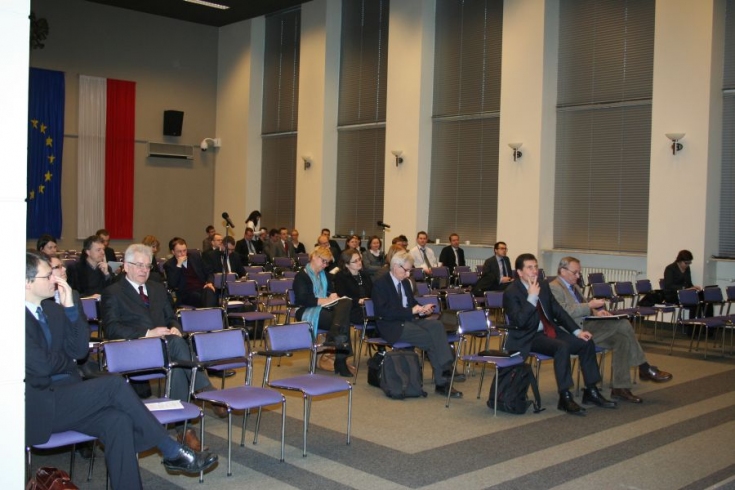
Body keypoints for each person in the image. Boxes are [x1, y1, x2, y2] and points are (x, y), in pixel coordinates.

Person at [25, 251, 217, 490]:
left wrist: (70, 309)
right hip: (40, 406)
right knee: (114, 384)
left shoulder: (54, 310)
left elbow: (78, 352)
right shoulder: (12, 319)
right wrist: (66, 360)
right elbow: (42, 366)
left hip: (70, 394)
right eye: (47, 276)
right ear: (27, 282)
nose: (55, 279)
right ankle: (171, 450)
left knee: (118, 421)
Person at [102, 244, 227, 447]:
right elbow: (111, 328)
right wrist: (147, 333)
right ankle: (205, 390)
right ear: (126, 266)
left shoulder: (157, 288)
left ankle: (184, 429)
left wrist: (175, 327)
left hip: (166, 347)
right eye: (139, 265)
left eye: (148, 266)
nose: (144, 270)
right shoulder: (113, 292)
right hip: (134, 349)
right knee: (178, 349)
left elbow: (171, 317)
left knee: (177, 364)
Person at [503, 253, 616, 415]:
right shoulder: (511, 292)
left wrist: (577, 331)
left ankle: (591, 391)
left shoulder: (543, 285)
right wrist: (532, 298)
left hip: (549, 330)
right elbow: (519, 321)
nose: (534, 271)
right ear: (520, 272)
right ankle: (565, 396)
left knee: (586, 342)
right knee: (561, 347)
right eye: (529, 268)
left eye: (536, 267)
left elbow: (558, 311)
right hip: (528, 336)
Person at [550, 257, 673, 403]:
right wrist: (589, 306)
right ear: (563, 271)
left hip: (588, 325)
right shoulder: (554, 287)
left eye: (579, 273)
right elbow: (563, 311)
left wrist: (597, 312)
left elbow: (582, 308)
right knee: (623, 324)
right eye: (575, 272)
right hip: (573, 331)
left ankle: (620, 388)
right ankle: (644, 367)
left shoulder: (574, 286)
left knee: (622, 340)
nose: (578, 276)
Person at [371, 251, 461, 398]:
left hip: (409, 320)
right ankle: (443, 381)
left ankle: (445, 367)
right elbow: (383, 312)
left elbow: (412, 303)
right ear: (395, 266)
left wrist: (422, 309)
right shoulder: (381, 284)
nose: (408, 274)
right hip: (392, 325)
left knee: (437, 326)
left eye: (410, 271)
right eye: (406, 270)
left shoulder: (405, 283)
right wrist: (411, 311)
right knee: (430, 338)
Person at [293, 247, 353, 376]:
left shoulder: (324, 275)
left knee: (346, 303)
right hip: (306, 310)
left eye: (327, 263)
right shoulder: (301, 276)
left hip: (325, 308)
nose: (325, 265)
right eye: (323, 261)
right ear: (314, 257)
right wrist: (325, 300)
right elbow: (302, 299)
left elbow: (330, 291)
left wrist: (334, 296)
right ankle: (341, 360)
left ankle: (334, 333)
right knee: (343, 320)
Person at [163, 238, 217, 307]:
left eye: (184, 250)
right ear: (173, 252)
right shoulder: (169, 265)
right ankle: (213, 312)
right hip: (186, 293)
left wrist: (209, 282)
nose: (183, 254)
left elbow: (209, 272)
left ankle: (209, 311)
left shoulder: (195, 257)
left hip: (202, 288)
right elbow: (172, 284)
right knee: (203, 297)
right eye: (179, 251)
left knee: (210, 291)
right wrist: (179, 265)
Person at [334, 249, 373, 326]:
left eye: (359, 259)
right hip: (352, 309)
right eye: (355, 261)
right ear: (346, 264)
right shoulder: (340, 277)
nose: (359, 262)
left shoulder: (365, 275)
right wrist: (358, 300)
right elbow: (343, 297)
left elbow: (372, 292)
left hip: (367, 306)